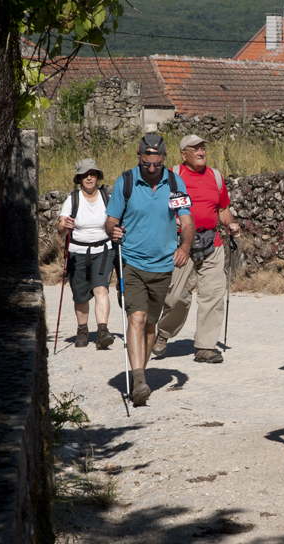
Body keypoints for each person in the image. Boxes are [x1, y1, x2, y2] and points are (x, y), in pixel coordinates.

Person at [105, 135, 195, 407]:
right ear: (139, 156)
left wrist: (185, 246)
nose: (152, 169)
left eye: (157, 164)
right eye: (147, 164)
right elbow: (110, 221)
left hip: (163, 265)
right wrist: (114, 230)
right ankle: (140, 379)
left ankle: (138, 378)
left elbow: (187, 221)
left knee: (151, 325)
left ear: (165, 157)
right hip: (131, 261)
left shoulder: (175, 182)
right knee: (137, 317)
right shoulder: (126, 182)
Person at [152, 135, 241, 363]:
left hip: (212, 243)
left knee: (212, 295)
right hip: (182, 244)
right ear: (184, 154)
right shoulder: (171, 176)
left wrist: (230, 223)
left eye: (203, 148)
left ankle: (205, 347)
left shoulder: (216, 177)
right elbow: (157, 207)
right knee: (177, 297)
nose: (201, 152)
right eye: (196, 149)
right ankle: (162, 334)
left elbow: (223, 209)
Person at [57, 158, 115, 349]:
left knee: (101, 289)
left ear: (97, 176)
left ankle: (102, 331)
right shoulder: (72, 199)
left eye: (92, 174)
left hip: (103, 250)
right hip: (77, 252)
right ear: (79, 179)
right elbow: (60, 229)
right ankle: (82, 329)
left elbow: (115, 221)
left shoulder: (106, 197)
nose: (89, 178)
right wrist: (64, 226)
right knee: (80, 295)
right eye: (85, 175)